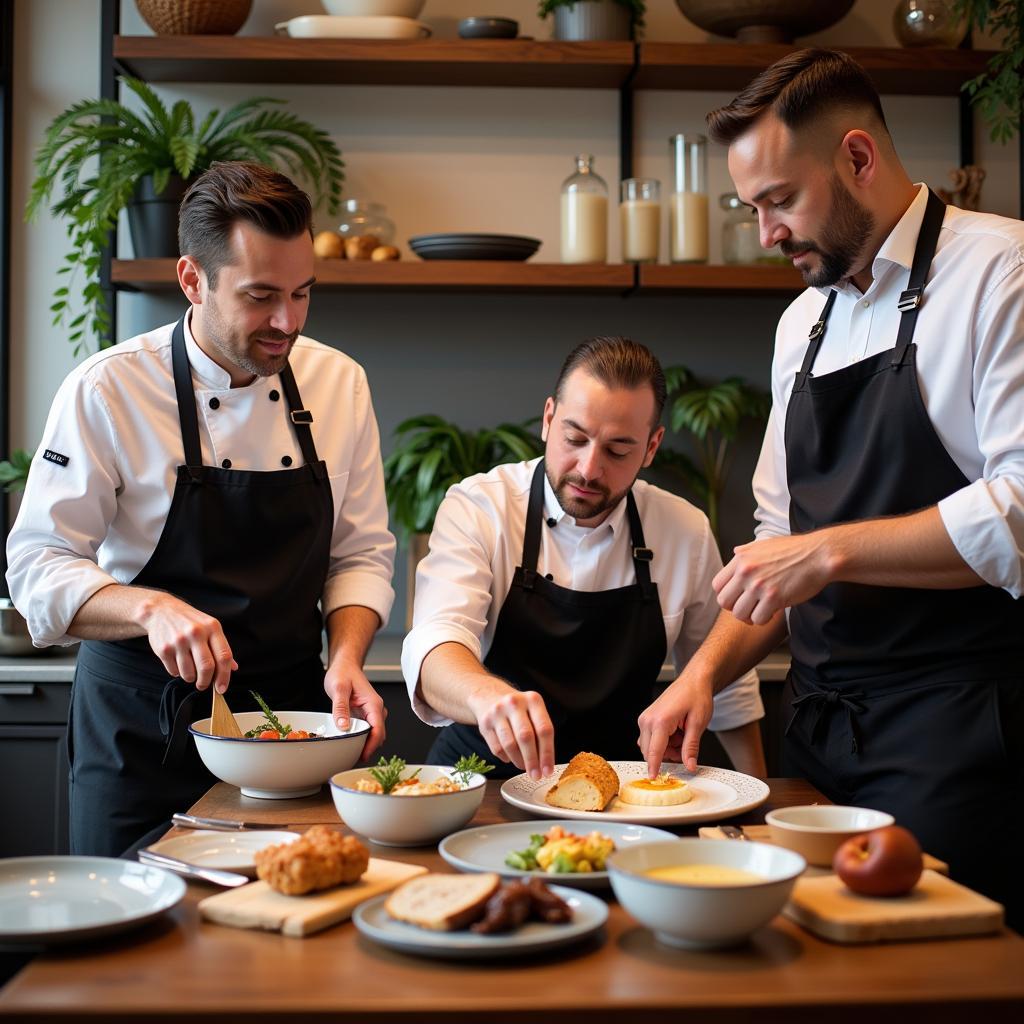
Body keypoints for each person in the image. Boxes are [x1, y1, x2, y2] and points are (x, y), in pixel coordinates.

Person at [638, 49, 1024, 925]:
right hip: (819, 739)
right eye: (752, 209)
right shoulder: (801, 323)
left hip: (956, 743)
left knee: (934, 981)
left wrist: (829, 551)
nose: (767, 232)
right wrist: (700, 675)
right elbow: (778, 541)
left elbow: (1020, 509)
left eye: (780, 200)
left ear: (858, 157)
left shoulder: (1000, 273)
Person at [6, 162, 396, 857]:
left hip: (291, 730)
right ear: (192, 280)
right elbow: (36, 565)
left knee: (284, 934)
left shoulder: (340, 383)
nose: (288, 322)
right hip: (140, 735)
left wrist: (346, 658)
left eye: (302, 294)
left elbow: (360, 555)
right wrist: (149, 608)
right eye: (261, 296)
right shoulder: (109, 390)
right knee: (125, 948)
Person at [402, 336, 766, 780]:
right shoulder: (482, 507)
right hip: (478, 782)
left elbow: (720, 679)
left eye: (617, 450)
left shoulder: (683, 530)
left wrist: (759, 796)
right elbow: (436, 644)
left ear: (652, 447)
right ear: (549, 418)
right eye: (575, 438)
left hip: (620, 791)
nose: (589, 469)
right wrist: (485, 697)